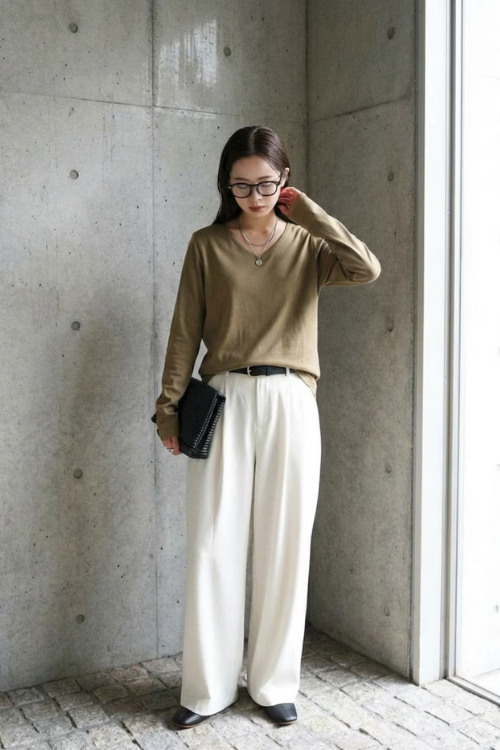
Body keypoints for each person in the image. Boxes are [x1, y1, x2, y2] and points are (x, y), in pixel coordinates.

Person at [154, 125, 381, 729]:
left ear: (284, 181)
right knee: (213, 544)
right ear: (225, 185)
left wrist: (308, 212)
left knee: (286, 543)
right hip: (223, 397)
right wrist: (167, 409)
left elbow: (366, 268)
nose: (254, 196)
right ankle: (207, 689)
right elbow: (184, 333)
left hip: (291, 400)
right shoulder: (206, 245)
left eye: (265, 184)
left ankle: (274, 682)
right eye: (241, 185)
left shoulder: (308, 245)